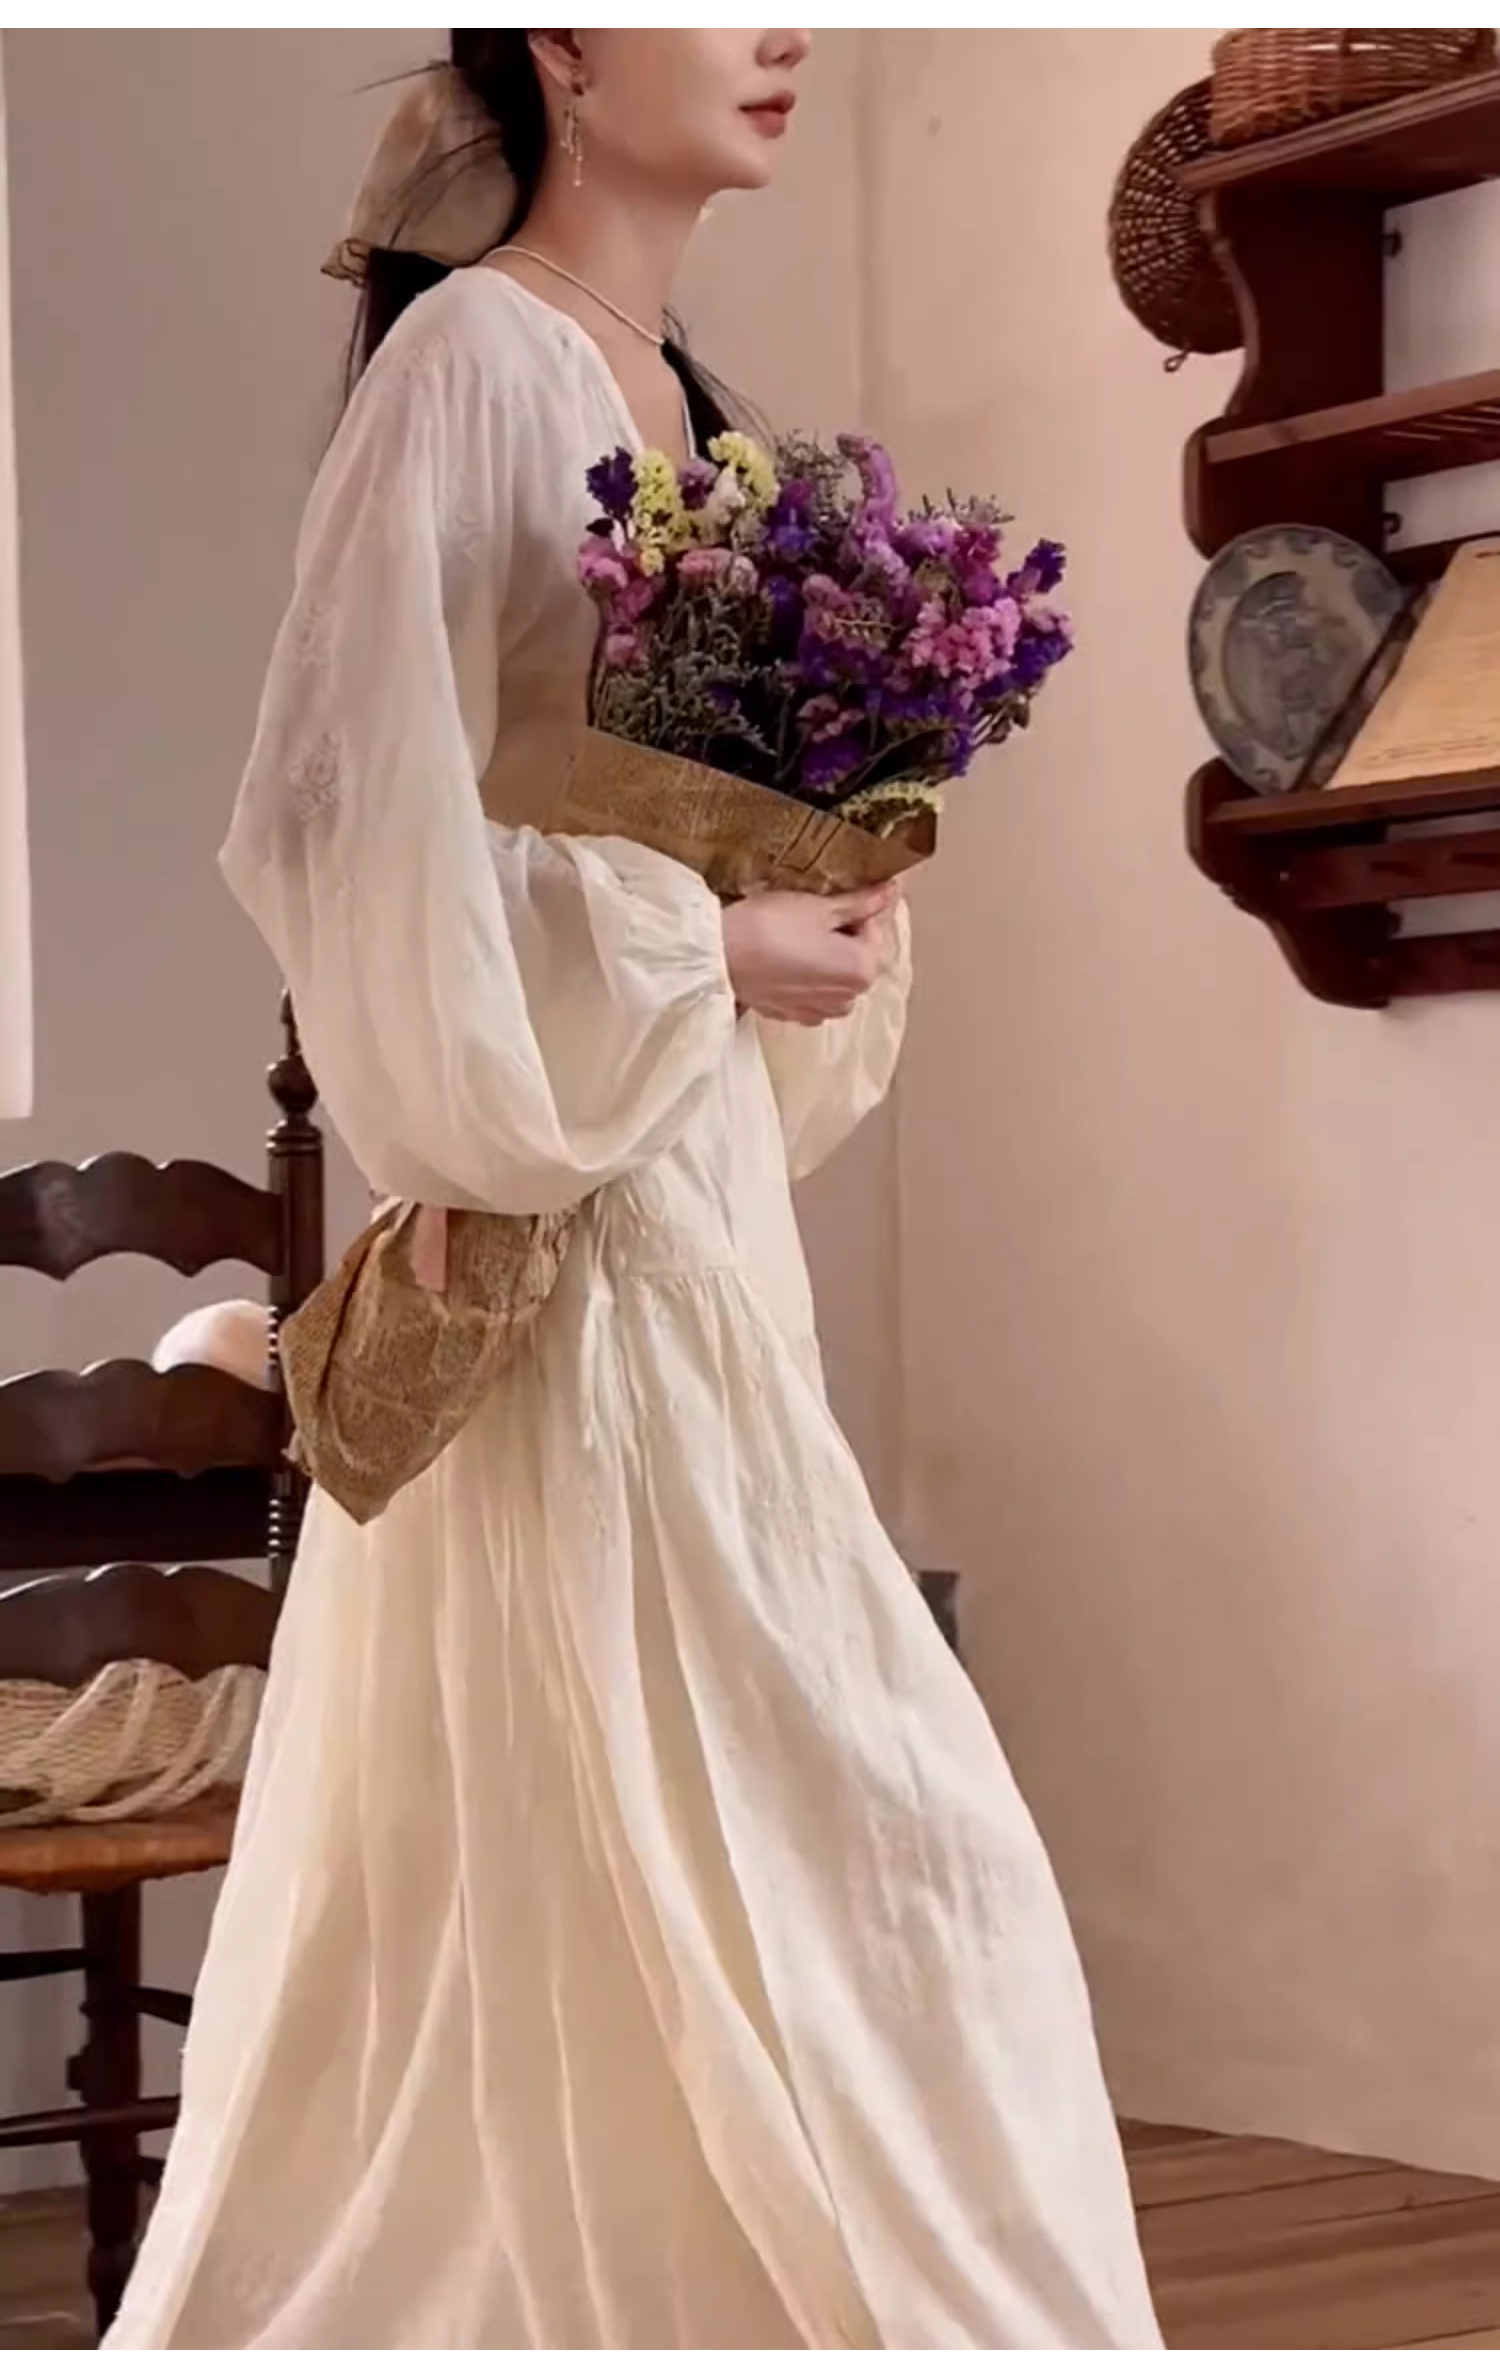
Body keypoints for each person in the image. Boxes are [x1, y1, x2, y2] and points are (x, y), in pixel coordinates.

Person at [107, 31, 1161, 2350]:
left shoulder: (689, 402)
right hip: (569, 1236)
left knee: (695, 1823)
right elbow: (343, 814)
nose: (789, 32)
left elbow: (602, 816)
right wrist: (707, 948)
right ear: (567, 47)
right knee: (842, 1807)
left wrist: (817, 889)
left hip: (683, 1192)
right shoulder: (475, 363)